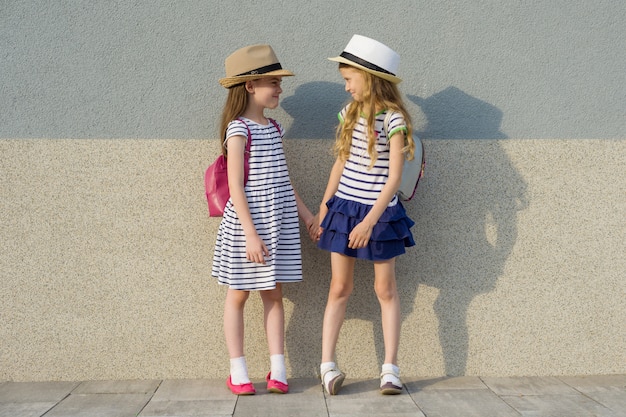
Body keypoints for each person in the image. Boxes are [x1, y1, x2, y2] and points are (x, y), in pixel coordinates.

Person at [212, 44, 316, 395]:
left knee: (273, 294)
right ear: (250, 86)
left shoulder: (273, 128)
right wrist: (250, 235)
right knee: (238, 294)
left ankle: (278, 369)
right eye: (274, 82)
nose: (279, 89)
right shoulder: (239, 130)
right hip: (249, 225)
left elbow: (284, 181)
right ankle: (237, 370)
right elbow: (236, 188)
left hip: (278, 221)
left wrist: (307, 216)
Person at [315, 35, 416, 395]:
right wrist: (325, 208)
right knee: (339, 287)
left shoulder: (394, 120)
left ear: (369, 77)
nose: (346, 86)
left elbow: (393, 179)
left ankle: (390, 369)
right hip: (344, 209)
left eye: (349, 79)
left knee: (385, 289)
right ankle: (327, 365)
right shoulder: (349, 113)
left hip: (379, 215)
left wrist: (369, 222)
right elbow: (340, 165)